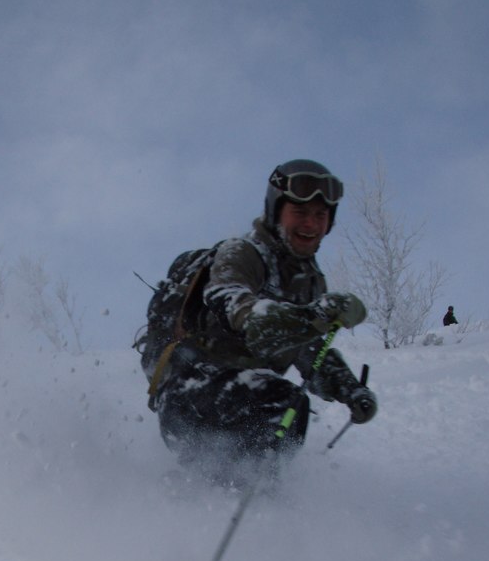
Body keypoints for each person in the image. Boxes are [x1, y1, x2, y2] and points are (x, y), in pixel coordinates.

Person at [141, 159, 378, 479]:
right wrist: (314, 315)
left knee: (285, 412)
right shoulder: (240, 255)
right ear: (275, 211)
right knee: (282, 402)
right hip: (191, 393)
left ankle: (220, 506)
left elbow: (308, 349)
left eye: (320, 215)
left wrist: (350, 389)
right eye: (300, 212)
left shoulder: (308, 281)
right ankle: (241, 497)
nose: (311, 224)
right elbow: (239, 310)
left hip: (239, 401)